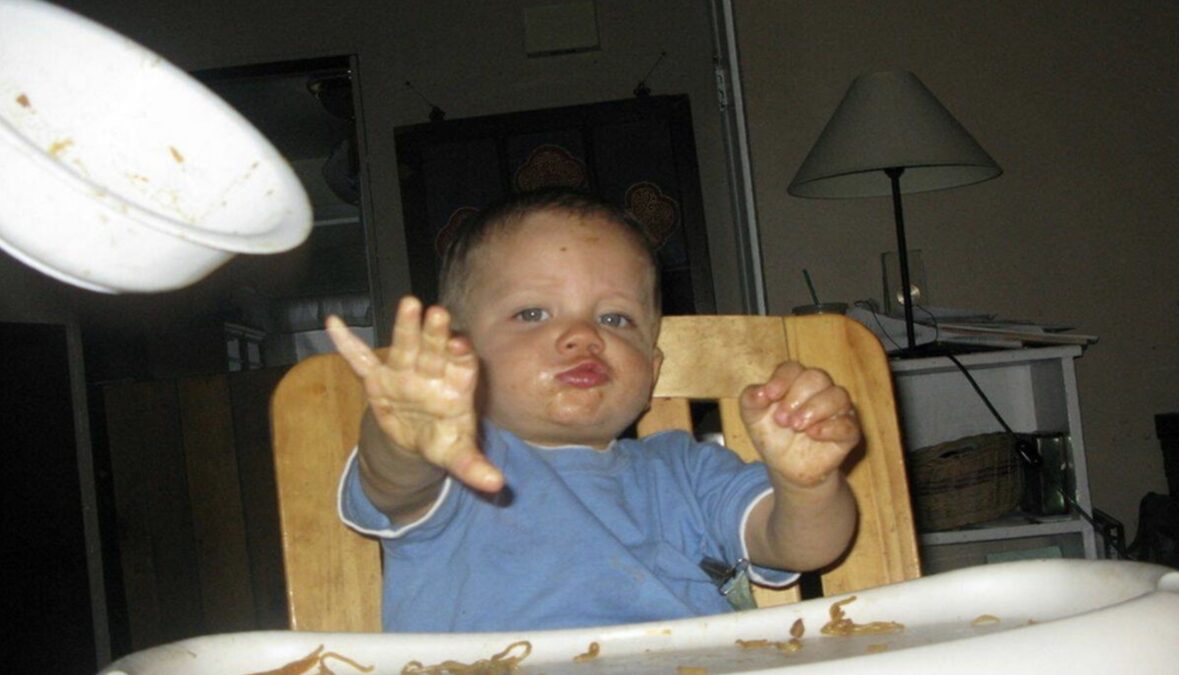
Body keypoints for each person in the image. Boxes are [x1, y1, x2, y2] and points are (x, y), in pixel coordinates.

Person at [325, 188, 859, 632]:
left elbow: (802, 546)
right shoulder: (454, 466)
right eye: (532, 313)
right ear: (456, 355)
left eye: (615, 319)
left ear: (651, 370)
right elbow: (396, 483)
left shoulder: (688, 472)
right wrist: (405, 439)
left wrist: (808, 486)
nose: (583, 336)